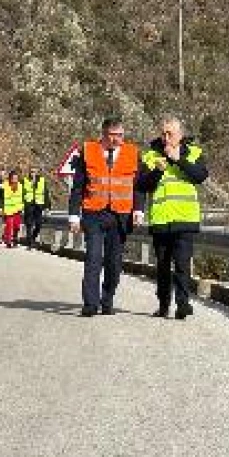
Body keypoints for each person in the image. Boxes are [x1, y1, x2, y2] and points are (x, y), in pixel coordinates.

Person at [69, 117, 145, 316]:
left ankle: (107, 297)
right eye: (112, 135)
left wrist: (138, 210)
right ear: (103, 134)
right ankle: (90, 304)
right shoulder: (88, 151)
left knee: (114, 262)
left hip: (120, 215)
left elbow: (138, 187)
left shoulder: (132, 153)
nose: (116, 140)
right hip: (94, 213)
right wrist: (73, 216)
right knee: (93, 258)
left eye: (120, 135)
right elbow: (77, 186)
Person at [135, 115, 208, 319]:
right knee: (163, 266)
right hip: (160, 220)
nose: (166, 137)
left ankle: (183, 304)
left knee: (182, 265)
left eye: (170, 133)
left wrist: (178, 160)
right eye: (163, 133)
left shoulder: (193, 152)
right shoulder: (150, 155)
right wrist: (157, 172)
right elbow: (142, 185)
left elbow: (200, 176)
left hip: (185, 219)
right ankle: (163, 304)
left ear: (180, 135)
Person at [22, 167, 51, 250]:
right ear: (29, 172)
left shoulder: (42, 180)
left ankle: (33, 238)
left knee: (39, 224)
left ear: (37, 172)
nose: (33, 173)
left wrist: (47, 206)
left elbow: (46, 193)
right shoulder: (25, 180)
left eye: (34, 172)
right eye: (31, 172)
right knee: (29, 224)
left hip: (38, 205)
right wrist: (22, 205)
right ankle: (30, 243)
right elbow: (22, 193)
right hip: (29, 205)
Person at [0, 170, 25, 248]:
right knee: (9, 226)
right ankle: (8, 241)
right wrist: (0, 208)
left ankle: (15, 238)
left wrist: (23, 207)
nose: (15, 179)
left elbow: (23, 197)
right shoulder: (4, 186)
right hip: (8, 209)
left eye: (16, 178)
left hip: (18, 209)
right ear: (10, 178)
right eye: (13, 178)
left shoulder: (20, 186)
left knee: (16, 226)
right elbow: (0, 198)